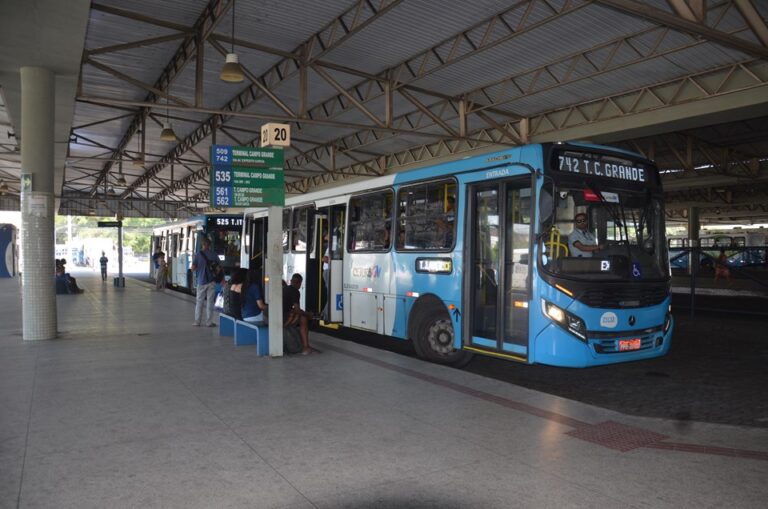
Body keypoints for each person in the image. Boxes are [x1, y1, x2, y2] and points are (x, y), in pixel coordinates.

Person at [190, 237, 218, 327]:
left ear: (202, 244)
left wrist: (199, 267)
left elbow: (193, 268)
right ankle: (209, 322)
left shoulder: (198, 255)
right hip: (211, 282)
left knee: (199, 302)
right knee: (210, 302)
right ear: (209, 245)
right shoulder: (214, 255)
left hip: (201, 281)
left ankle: (197, 321)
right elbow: (219, 268)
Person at [284, 273, 313, 355]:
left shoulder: (285, 288)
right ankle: (305, 346)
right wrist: (308, 314)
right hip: (284, 318)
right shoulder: (295, 292)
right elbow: (297, 310)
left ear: (290, 281)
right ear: (299, 283)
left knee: (300, 315)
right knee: (303, 318)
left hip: (277, 315)